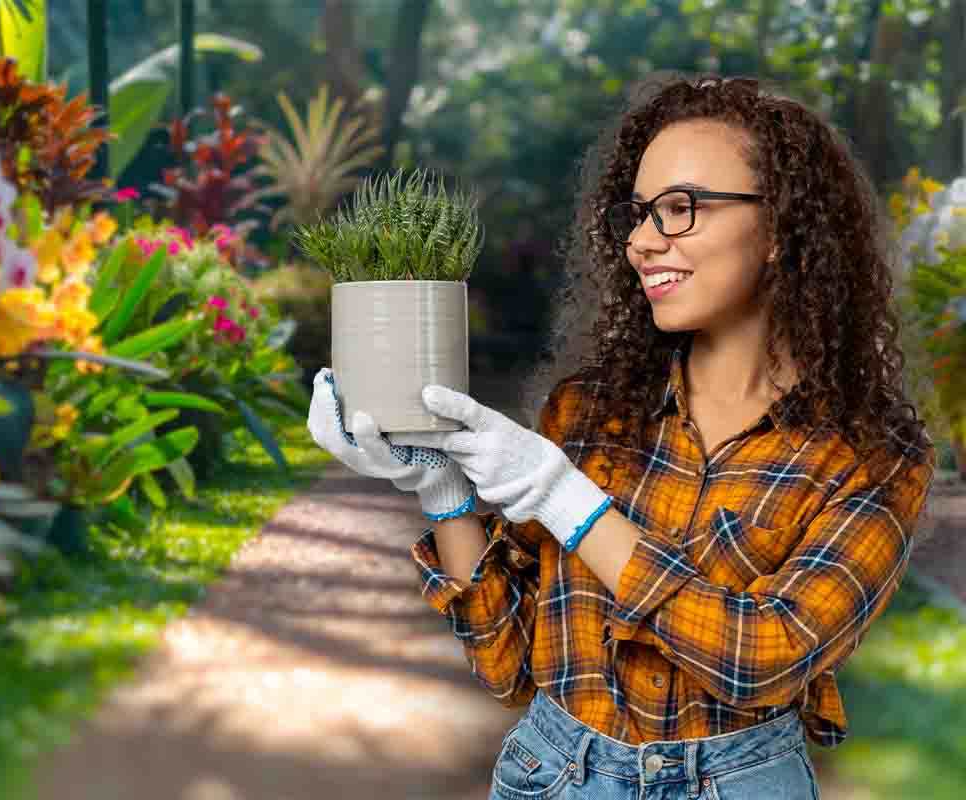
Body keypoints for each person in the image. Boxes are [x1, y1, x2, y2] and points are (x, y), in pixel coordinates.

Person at [306, 73, 936, 800]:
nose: (641, 241)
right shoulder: (589, 413)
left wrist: (569, 502)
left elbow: (766, 654)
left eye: (681, 209)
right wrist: (441, 488)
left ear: (782, 228)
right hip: (554, 774)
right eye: (638, 214)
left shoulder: (871, 454)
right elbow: (509, 666)